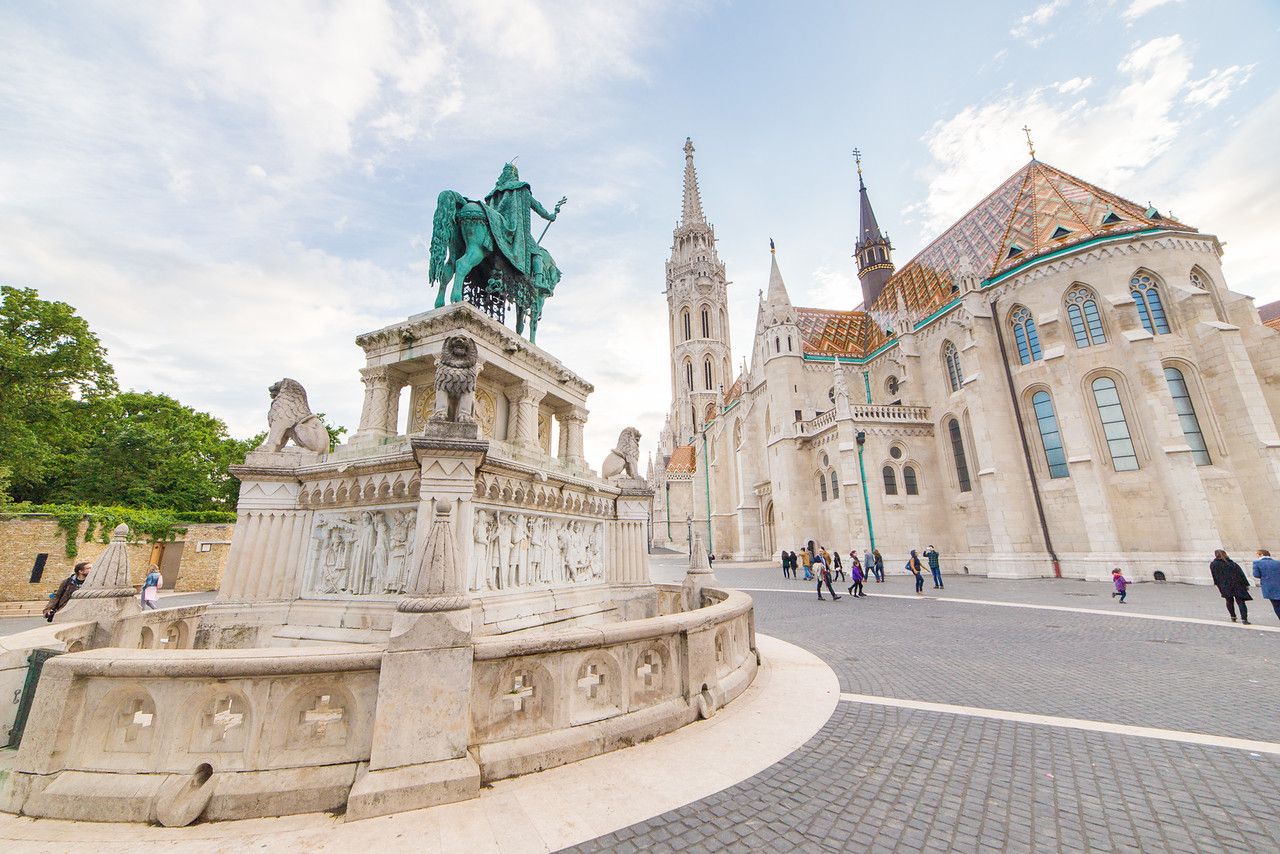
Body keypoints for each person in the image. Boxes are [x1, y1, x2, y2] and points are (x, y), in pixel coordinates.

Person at [1210, 550, 1252, 624]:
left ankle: (1233, 616)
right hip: (1237, 584)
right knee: (1241, 601)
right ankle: (1244, 619)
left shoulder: (1213, 564)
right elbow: (1241, 574)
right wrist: (1246, 584)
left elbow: (1215, 576)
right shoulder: (1232, 563)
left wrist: (1218, 585)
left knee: (1229, 601)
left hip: (1224, 585)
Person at [1252, 549, 1280, 622]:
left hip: (1269, 587)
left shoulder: (1257, 563)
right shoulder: (1277, 562)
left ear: (1261, 554)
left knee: (1276, 605)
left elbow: (1256, 575)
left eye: (1257, 554)